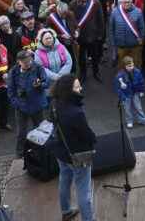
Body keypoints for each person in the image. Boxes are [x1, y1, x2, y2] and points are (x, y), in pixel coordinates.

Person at [48, 74, 97, 221]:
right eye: (77, 87)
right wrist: (93, 139)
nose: (80, 88)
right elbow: (87, 135)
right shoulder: (76, 112)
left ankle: (66, 210)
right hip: (77, 156)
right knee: (84, 191)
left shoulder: (55, 103)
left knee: (64, 180)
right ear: (68, 91)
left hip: (61, 151)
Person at [8, 50, 50, 157]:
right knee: (21, 132)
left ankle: (42, 150)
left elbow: (47, 83)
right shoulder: (13, 72)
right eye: (25, 62)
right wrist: (17, 104)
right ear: (19, 62)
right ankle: (20, 153)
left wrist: (40, 84)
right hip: (21, 107)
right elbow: (11, 91)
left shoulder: (38, 67)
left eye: (29, 61)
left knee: (41, 129)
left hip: (37, 105)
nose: (28, 64)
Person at [109, 0, 145, 69]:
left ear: (132, 2)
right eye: (124, 2)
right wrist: (113, 44)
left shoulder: (138, 12)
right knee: (121, 67)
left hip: (135, 46)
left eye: (128, 2)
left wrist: (141, 40)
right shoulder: (114, 12)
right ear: (120, 2)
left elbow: (142, 28)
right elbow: (111, 30)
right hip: (120, 46)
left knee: (135, 66)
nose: (126, 4)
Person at [114, 56, 145, 128]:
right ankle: (129, 121)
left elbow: (141, 82)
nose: (131, 67)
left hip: (135, 92)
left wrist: (142, 91)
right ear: (125, 66)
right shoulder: (120, 75)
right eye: (129, 66)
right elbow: (118, 88)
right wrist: (123, 97)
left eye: (132, 65)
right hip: (126, 95)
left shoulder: (137, 72)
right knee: (127, 109)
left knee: (138, 107)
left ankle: (142, 119)